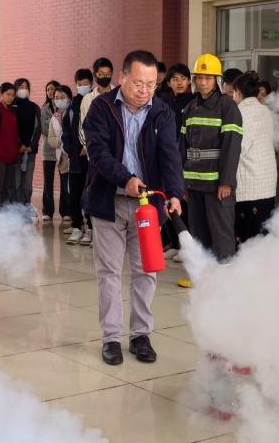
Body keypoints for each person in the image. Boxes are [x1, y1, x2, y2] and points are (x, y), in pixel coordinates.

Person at [82, 50, 184, 366]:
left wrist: (175, 194)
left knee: (145, 272)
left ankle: (141, 335)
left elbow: (170, 155)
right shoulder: (101, 108)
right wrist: (125, 178)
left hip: (147, 207)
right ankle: (111, 338)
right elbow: (98, 153)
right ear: (122, 77)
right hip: (108, 202)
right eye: (139, 83)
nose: (145, 90)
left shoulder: (162, 112)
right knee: (109, 273)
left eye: (152, 85)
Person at [179, 54, 243, 263]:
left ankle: (225, 275)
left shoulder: (227, 107)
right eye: (199, 77)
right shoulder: (190, 108)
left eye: (208, 78)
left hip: (216, 184)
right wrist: (183, 183)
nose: (203, 82)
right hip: (194, 183)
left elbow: (232, 147)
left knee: (221, 235)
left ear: (217, 80)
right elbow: (182, 147)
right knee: (198, 234)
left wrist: (226, 181)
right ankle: (202, 275)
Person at [232, 72, 277, 244]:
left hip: (249, 184)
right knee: (263, 236)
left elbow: (239, 148)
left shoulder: (239, 112)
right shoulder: (265, 110)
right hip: (267, 180)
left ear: (238, 92)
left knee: (246, 239)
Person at [75, 58, 116, 245]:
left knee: (114, 197)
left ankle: (113, 235)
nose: (105, 77)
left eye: (108, 74)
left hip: (116, 155)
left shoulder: (119, 94)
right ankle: (92, 231)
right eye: (101, 74)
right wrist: (91, 148)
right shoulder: (87, 100)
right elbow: (83, 128)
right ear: (95, 76)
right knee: (96, 194)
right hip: (96, 156)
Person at [161, 64, 194, 262]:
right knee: (167, 200)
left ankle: (185, 246)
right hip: (167, 158)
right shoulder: (165, 103)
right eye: (175, 79)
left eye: (183, 78)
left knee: (183, 203)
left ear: (189, 81)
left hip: (185, 159)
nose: (179, 82)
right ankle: (173, 243)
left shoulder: (194, 102)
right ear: (168, 82)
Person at [61, 69, 93, 239]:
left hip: (92, 159)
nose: (82, 87)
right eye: (79, 84)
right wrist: (70, 151)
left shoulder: (95, 101)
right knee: (74, 194)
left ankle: (91, 227)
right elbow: (65, 132)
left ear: (91, 83)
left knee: (90, 194)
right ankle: (76, 226)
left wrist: (89, 147)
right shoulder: (72, 106)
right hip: (75, 160)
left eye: (85, 84)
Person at [12, 78, 41, 209]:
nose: (23, 90)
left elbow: (38, 127)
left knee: (27, 182)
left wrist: (31, 145)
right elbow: (11, 128)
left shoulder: (34, 107)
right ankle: (16, 209)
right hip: (15, 151)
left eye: (26, 87)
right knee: (16, 181)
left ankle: (26, 207)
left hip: (30, 151)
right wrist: (19, 144)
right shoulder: (11, 107)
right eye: (20, 87)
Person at [46, 85, 71, 223]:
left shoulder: (75, 114)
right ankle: (73, 220)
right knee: (66, 190)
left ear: (69, 98)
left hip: (75, 158)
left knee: (76, 190)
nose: (59, 100)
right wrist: (63, 139)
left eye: (62, 97)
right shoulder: (54, 118)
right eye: (57, 98)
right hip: (62, 158)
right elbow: (51, 139)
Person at [40, 80, 64, 221]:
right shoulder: (44, 108)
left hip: (62, 149)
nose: (50, 91)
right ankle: (47, 211)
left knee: (64, 181)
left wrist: (49, 122)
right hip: (48, 149)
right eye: (48, 89)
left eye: (52, 89)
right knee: (47, 182)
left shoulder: (64, 106)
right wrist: (53, 122)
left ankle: (65, 211)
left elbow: (65, 126)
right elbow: (43, 129)